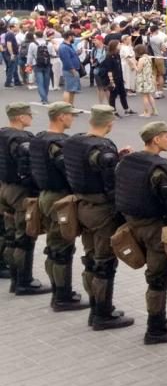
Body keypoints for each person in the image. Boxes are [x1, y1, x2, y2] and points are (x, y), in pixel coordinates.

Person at [113, 120, 167, 345]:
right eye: (166, 136)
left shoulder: (127, 161)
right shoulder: (159, 168)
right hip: (154, 228)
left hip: (132, 225)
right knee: (157, 278)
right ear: (156, 139)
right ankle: (156, 327)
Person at [63, 104, 132, 329]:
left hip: (81, 206)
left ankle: (95, 307)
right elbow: (110, 185)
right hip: (101, 210)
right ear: (109, 123)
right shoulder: (103, 149)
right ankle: (103, 313)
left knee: (91, 258)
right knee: (104, 263)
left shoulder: (75, 141)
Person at [31, 102, 87, 309]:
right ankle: (62, 296)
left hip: (45, 195)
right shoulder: (58, 144)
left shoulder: (39, 139)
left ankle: (58, 292)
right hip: (59, 199)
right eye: (70, 115)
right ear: (61, 117)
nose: (72, 119)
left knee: (53, 247)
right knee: (62, 248)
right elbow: (67, 169)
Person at [0, 101, 42, 295]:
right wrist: (36, 191)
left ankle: (15, 279)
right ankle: (24, 281)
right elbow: (27, 170)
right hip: (19, 192)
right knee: (24, 237)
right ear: (20, 117)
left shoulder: (3, 134)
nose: (31, 117)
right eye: (28, 114)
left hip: (4, 188)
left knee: (11, 236)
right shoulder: (21, 139)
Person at [134, 43, 157, 116]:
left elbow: (138, 70)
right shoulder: (148, 58)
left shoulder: (141, 59)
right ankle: (154, 110)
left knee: (145, 96)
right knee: (149, 95)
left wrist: (134, 65)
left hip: (143, 80)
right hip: (149, 78)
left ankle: (146, 112)